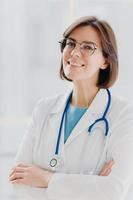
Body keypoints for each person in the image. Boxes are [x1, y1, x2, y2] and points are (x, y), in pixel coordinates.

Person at [9, 16, 133, 200]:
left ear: (105, 60)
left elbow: (113, 191)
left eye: (87, 47)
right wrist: (91, 185)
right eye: (70, 43)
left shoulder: (123, 114)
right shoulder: (44, 109)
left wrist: (46, 179)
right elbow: (16, 182)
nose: (74, 52)